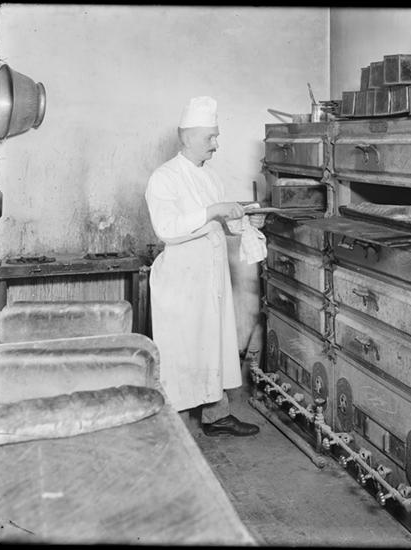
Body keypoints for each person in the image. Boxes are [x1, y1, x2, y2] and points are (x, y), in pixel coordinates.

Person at [145, 96, 265, 437]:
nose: (216, 144)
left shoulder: (210, 177)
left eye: (216, 136)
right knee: (183, 350)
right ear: (186, 137)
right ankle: (177, 428)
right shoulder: (164, 177)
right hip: (181, 280)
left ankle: (217, 415)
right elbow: (167, 228)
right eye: (209, 137)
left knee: (214, 343)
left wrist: (244, 220)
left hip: (210, 277)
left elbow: (219, 222)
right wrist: (214, 211)